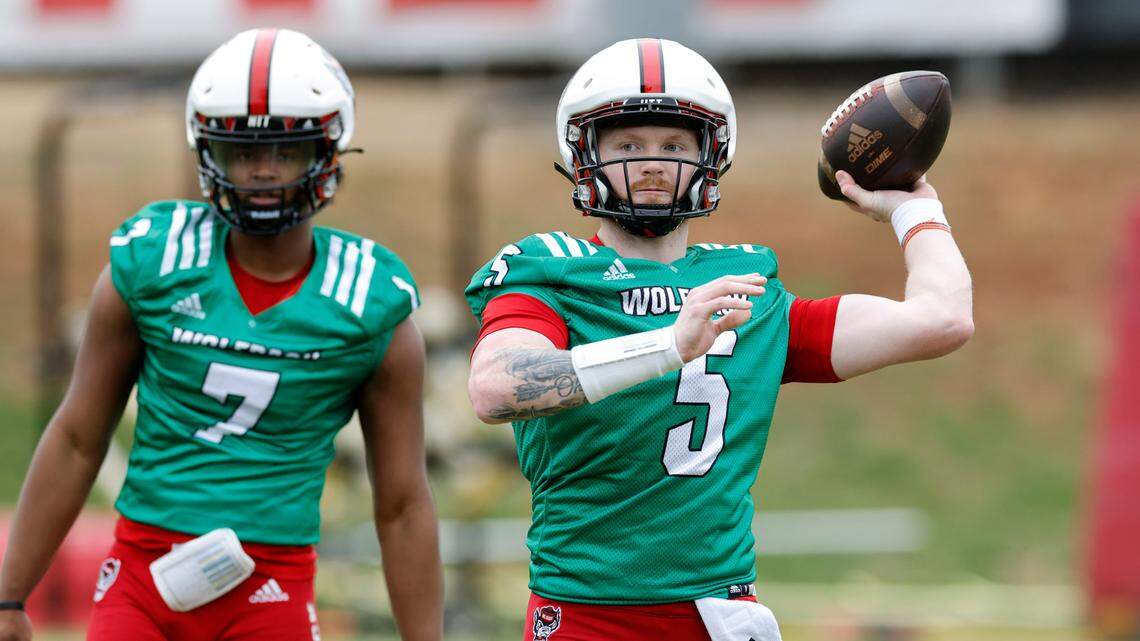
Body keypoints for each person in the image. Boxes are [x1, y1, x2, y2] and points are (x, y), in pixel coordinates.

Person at [465, 38, 973, 641]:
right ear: (584, 153)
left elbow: (942, 319)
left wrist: (915, 209)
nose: (652, 164)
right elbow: (495, 387)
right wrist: (667, 345)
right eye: (627, 145)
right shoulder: (552, 269)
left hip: (720, 614)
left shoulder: (747, 289)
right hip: (584, 614)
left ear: (712, 155)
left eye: (674, 146)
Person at [0, 28, 442, 641]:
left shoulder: (368, 304)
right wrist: (9, 596)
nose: (262, 172)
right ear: (208, 153)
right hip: (141, 579)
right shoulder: (154, 263)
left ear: (328, 153)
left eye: (286, 152)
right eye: (241, 152)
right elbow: (77, 437)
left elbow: (402, 504)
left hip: (271, 588)